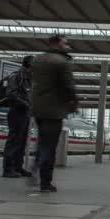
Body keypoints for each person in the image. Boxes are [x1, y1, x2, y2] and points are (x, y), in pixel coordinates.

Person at [31, 34, 78, 192]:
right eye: (65, 43)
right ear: (57, 44)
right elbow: (68, 86)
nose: (67, 46)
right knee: (49, 147)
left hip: (38, 109)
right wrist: (73, 103)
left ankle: (36, 169)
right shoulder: (61, 62)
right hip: (53, 110)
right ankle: (45, 182)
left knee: (43, 143)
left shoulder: (37, 59)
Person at [2, 55, 34, 178]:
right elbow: (11, 94)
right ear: (30, 65)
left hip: (25, 113)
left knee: (21, 141)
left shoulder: (28, 78)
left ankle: (17, 167)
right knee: (14, 140)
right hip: (16, 112)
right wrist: (26, 104)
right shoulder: (17, 76)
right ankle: (7, 169)